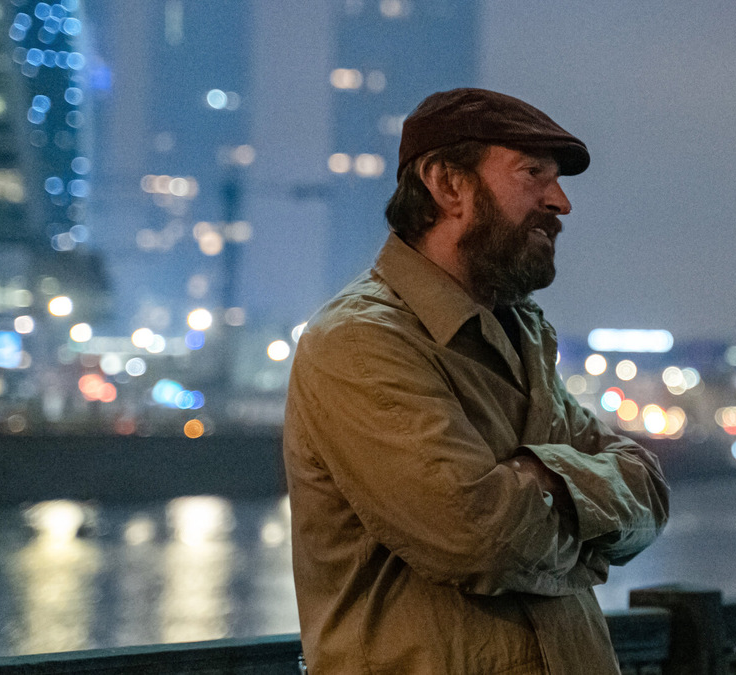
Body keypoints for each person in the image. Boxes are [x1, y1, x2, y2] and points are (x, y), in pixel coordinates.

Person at [284, 88, 670, 674]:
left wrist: (539, 477)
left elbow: (649, 490)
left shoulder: (520, 334)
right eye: (532, 173)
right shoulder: (360, 342)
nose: (560, 201)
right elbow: (479, 537)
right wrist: (587, 518)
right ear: (448, 185)